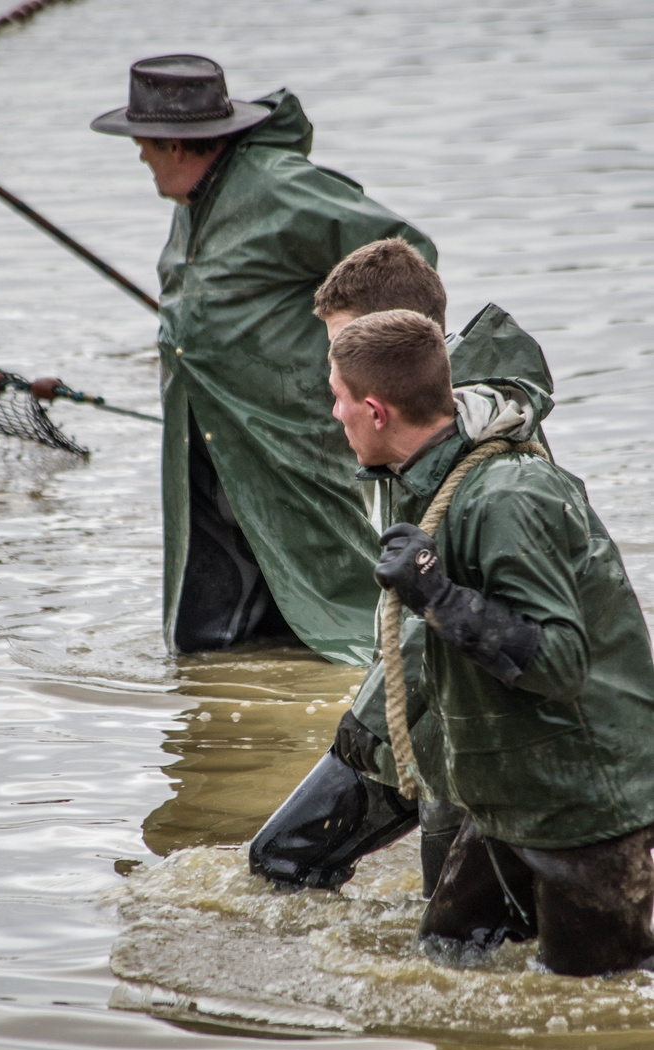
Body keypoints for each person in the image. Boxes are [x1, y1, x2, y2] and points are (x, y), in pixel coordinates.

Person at [326, 307, 654, 976]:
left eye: (336, 400)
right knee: (443, 962)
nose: (334, 417)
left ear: (375, 410)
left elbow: (558, 663)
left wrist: (437, 597)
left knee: (591, 1012)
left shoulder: (505, 496)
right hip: (509, 800)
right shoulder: (432, 484)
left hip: (585, 813)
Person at [91, 54, 437, 662]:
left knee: (355, 621)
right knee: (217, 644)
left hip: (292, 436)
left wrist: (364, 367)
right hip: (214, 439)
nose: (139, 158)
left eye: (143, 145)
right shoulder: (192, 202)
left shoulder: (279, 186)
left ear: (176, 145)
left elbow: (403, 254)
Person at [249, 238, 553, 897]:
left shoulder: (472, 453)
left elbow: (466, 617)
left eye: (343, 344)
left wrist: (363, 729)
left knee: (287, 860)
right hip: (443, 708)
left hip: (467, 720)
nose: (332, 366)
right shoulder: (413, 434)